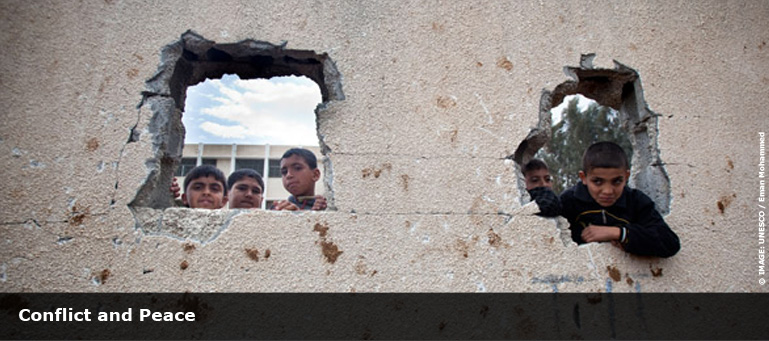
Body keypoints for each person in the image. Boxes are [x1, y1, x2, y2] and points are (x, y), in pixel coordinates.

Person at [559, 141, 680, 257]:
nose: (608, 191)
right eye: (597, 181)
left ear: (626, 176)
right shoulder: (570, 201)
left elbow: (669, 243)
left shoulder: (635, 201)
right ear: (583, 177)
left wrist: (618, 233)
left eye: (617, 181)